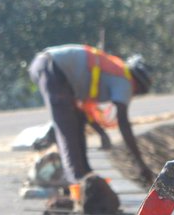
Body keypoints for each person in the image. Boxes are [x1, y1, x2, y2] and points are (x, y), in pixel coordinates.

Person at [28, 44, 155, 186]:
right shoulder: (125, 81)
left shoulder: (115, 72)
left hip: (49, 66)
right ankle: (76, 183)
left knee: (77, 122)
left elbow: (84, 112)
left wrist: (102, 134)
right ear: (138, 85)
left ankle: (85, 175)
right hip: (52, 68)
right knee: (68, 130)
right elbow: (123, 123)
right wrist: (140, 163)